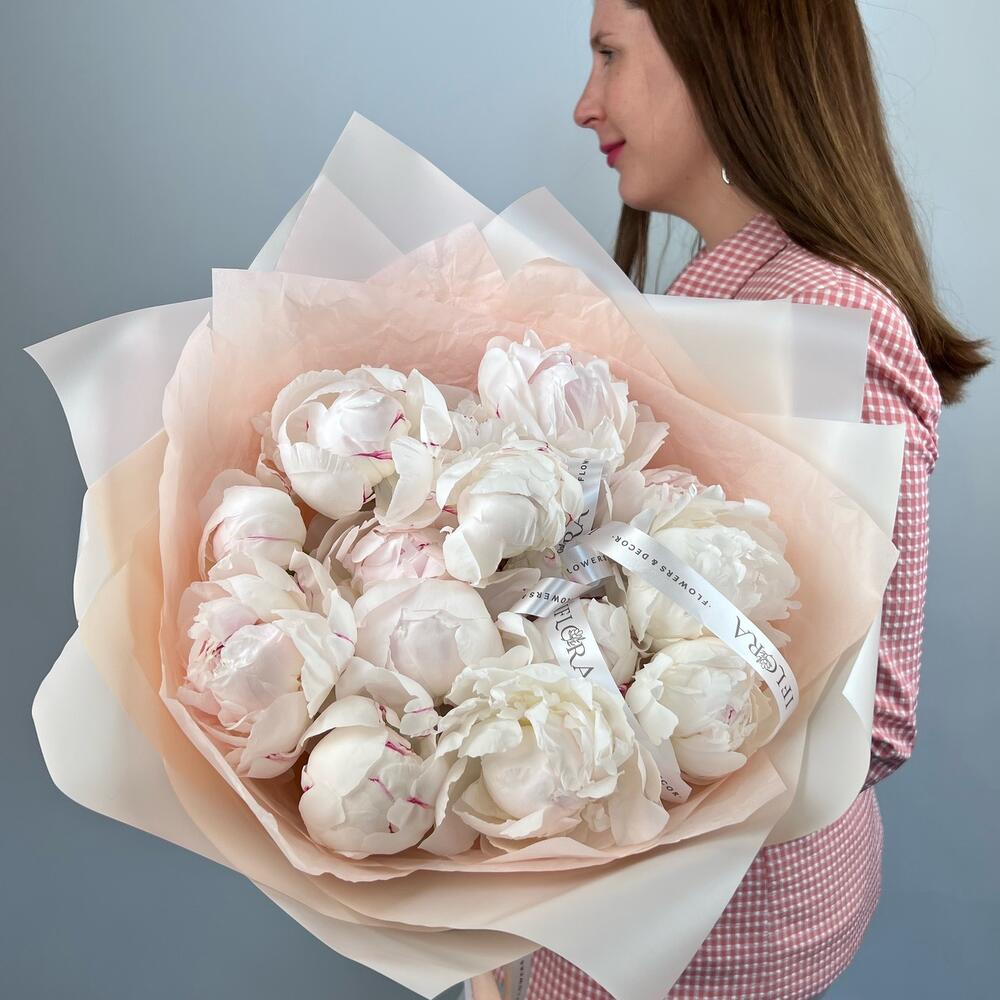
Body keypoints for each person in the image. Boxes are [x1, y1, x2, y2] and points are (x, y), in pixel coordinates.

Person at [482, 2, 992, 998]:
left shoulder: (823, 325)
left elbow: (871, 720)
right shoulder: (716, 302)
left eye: (609, 55)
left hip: (702, 934)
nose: (585, 104)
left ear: (721, 55)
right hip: (639, 905)